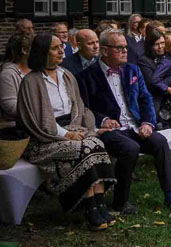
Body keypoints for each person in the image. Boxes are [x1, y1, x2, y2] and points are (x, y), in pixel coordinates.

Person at [76, 30, 171, 214]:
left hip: (135, 125)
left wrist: (148, 123)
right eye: (119, 48)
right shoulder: (86, 76)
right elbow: (84, 108)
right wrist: (103, 120)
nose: (125, 51)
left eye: (125, 47)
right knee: (130, 148)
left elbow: (145, 99)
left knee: (160, 142)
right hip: (109, 131)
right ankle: (120, 202)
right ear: (105, 50)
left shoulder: (132, 70)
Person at [17, 34, 116, 230]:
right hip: (43, 139)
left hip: (73, 129)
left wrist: (85, 130)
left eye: (61, 47)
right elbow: (37, 120)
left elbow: (78, 108)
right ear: (42, 53)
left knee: (96, 144)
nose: (61, 51)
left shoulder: (66, 75)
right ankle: (90, 208)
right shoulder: (31, 81)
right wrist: (65, 134)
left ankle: (99, 203)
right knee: (84, 149)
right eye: (55, 48)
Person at [1, 33, 32, 127]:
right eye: (35, 49)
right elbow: (11, 107)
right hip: (19, 126)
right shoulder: (8, 74)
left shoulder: (37, 70)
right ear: (24, 50)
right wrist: (41, 109)